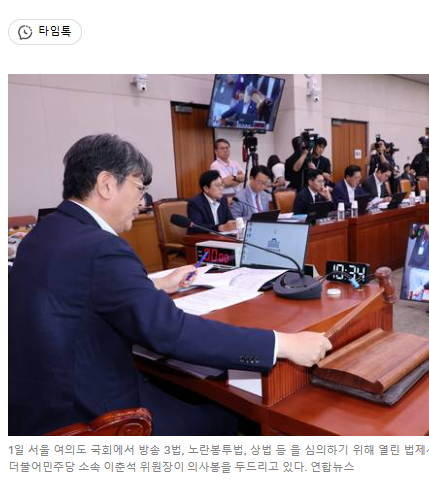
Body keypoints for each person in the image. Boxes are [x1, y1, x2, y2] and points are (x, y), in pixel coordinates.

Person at [8, 134, 331, 436]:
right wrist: (281, 343)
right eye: (139, 188)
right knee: (238, 414)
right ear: (106, 184)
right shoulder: (102, 248)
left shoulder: (44, 232)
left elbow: (76, 296)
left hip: (37, 403)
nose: (142, 201)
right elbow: (170, 331)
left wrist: (155, 287)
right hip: (95, 414)